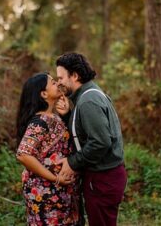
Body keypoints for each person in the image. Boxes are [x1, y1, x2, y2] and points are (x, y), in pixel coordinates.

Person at [53, 52, 127, 226]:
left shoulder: (88, 101)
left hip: (103, 179)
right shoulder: (87, 96)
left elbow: (100, 142)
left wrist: (72, 162)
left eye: (61, 77)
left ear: (75, 75)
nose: (59, 83)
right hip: (102, 178)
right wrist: (67, 116)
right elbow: (86, 134)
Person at [15, 72, 82, 225]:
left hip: (61, 192)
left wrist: (66, 115)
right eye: (52, 83)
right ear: (44, 94)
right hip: (45, 192)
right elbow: (23, 154)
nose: (57, 84)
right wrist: (54, 178)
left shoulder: (54, 117)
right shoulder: (39, 122)